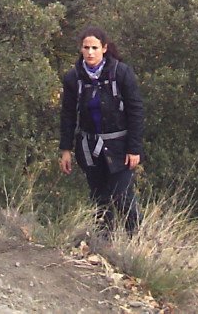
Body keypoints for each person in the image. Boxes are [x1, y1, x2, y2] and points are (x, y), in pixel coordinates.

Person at [59, 26, 145, 236]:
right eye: (86, 48)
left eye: (94, 47)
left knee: (122, 195)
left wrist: (134, 149)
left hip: (119, 146)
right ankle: (103, 243)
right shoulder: (73, 78)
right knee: (99, 197)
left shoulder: (121, 73)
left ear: (104, 48)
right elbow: (68, 114)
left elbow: (136, 111)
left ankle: (137, 240)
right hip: (89, 147)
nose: (90, 52)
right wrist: (65, 149)